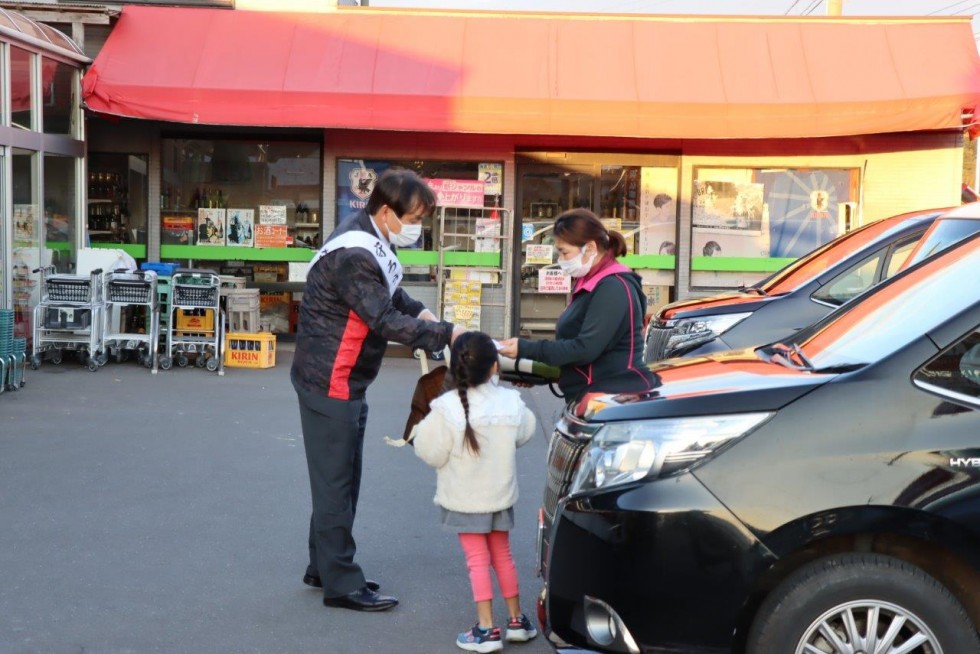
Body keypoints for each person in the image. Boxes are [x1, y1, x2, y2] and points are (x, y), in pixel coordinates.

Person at [291, 168, 464, 613]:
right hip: (331, 377)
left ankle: (323, 566)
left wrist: (425, 314)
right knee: (337, 482)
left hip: (344, 377)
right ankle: (341, 583)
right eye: (414, 217)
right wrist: (446, 335)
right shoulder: (356, 255)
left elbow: (392, 295)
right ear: (386, 211)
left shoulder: (367, 235)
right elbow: (383, 319)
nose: (417, 227)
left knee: (341, 478)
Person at [412, 331, 538, 652]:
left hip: (464, 499)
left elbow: (430, 450)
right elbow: (525, 431)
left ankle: (486, 629)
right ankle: (516, 620)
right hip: (500, 494)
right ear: (495, 367)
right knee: (502, 556)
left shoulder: (446, 407)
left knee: (477, 560)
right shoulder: (510, 402)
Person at [499, 208, 655, 402]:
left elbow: (585, 349)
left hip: (610, 400)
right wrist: (535, 373)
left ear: (590, 247)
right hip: (592, 396)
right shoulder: (591, 281)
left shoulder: (613, 287)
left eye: (565, 252)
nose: (561, 260)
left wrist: (526, 349)